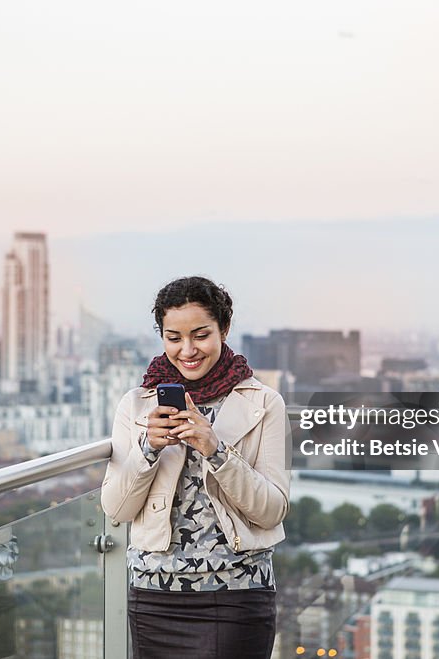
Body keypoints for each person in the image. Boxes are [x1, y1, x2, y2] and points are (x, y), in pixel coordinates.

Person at [100, 276, 290, 659]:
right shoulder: (136, 406)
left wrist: (216, 450)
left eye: (200, 335)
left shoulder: (263, 403)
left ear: (224, 329)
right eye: (173, 337)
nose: (187, 350)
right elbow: (116, 509)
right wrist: (148, 448)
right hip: (154, 595)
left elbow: (272, 510)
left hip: (236, 594)